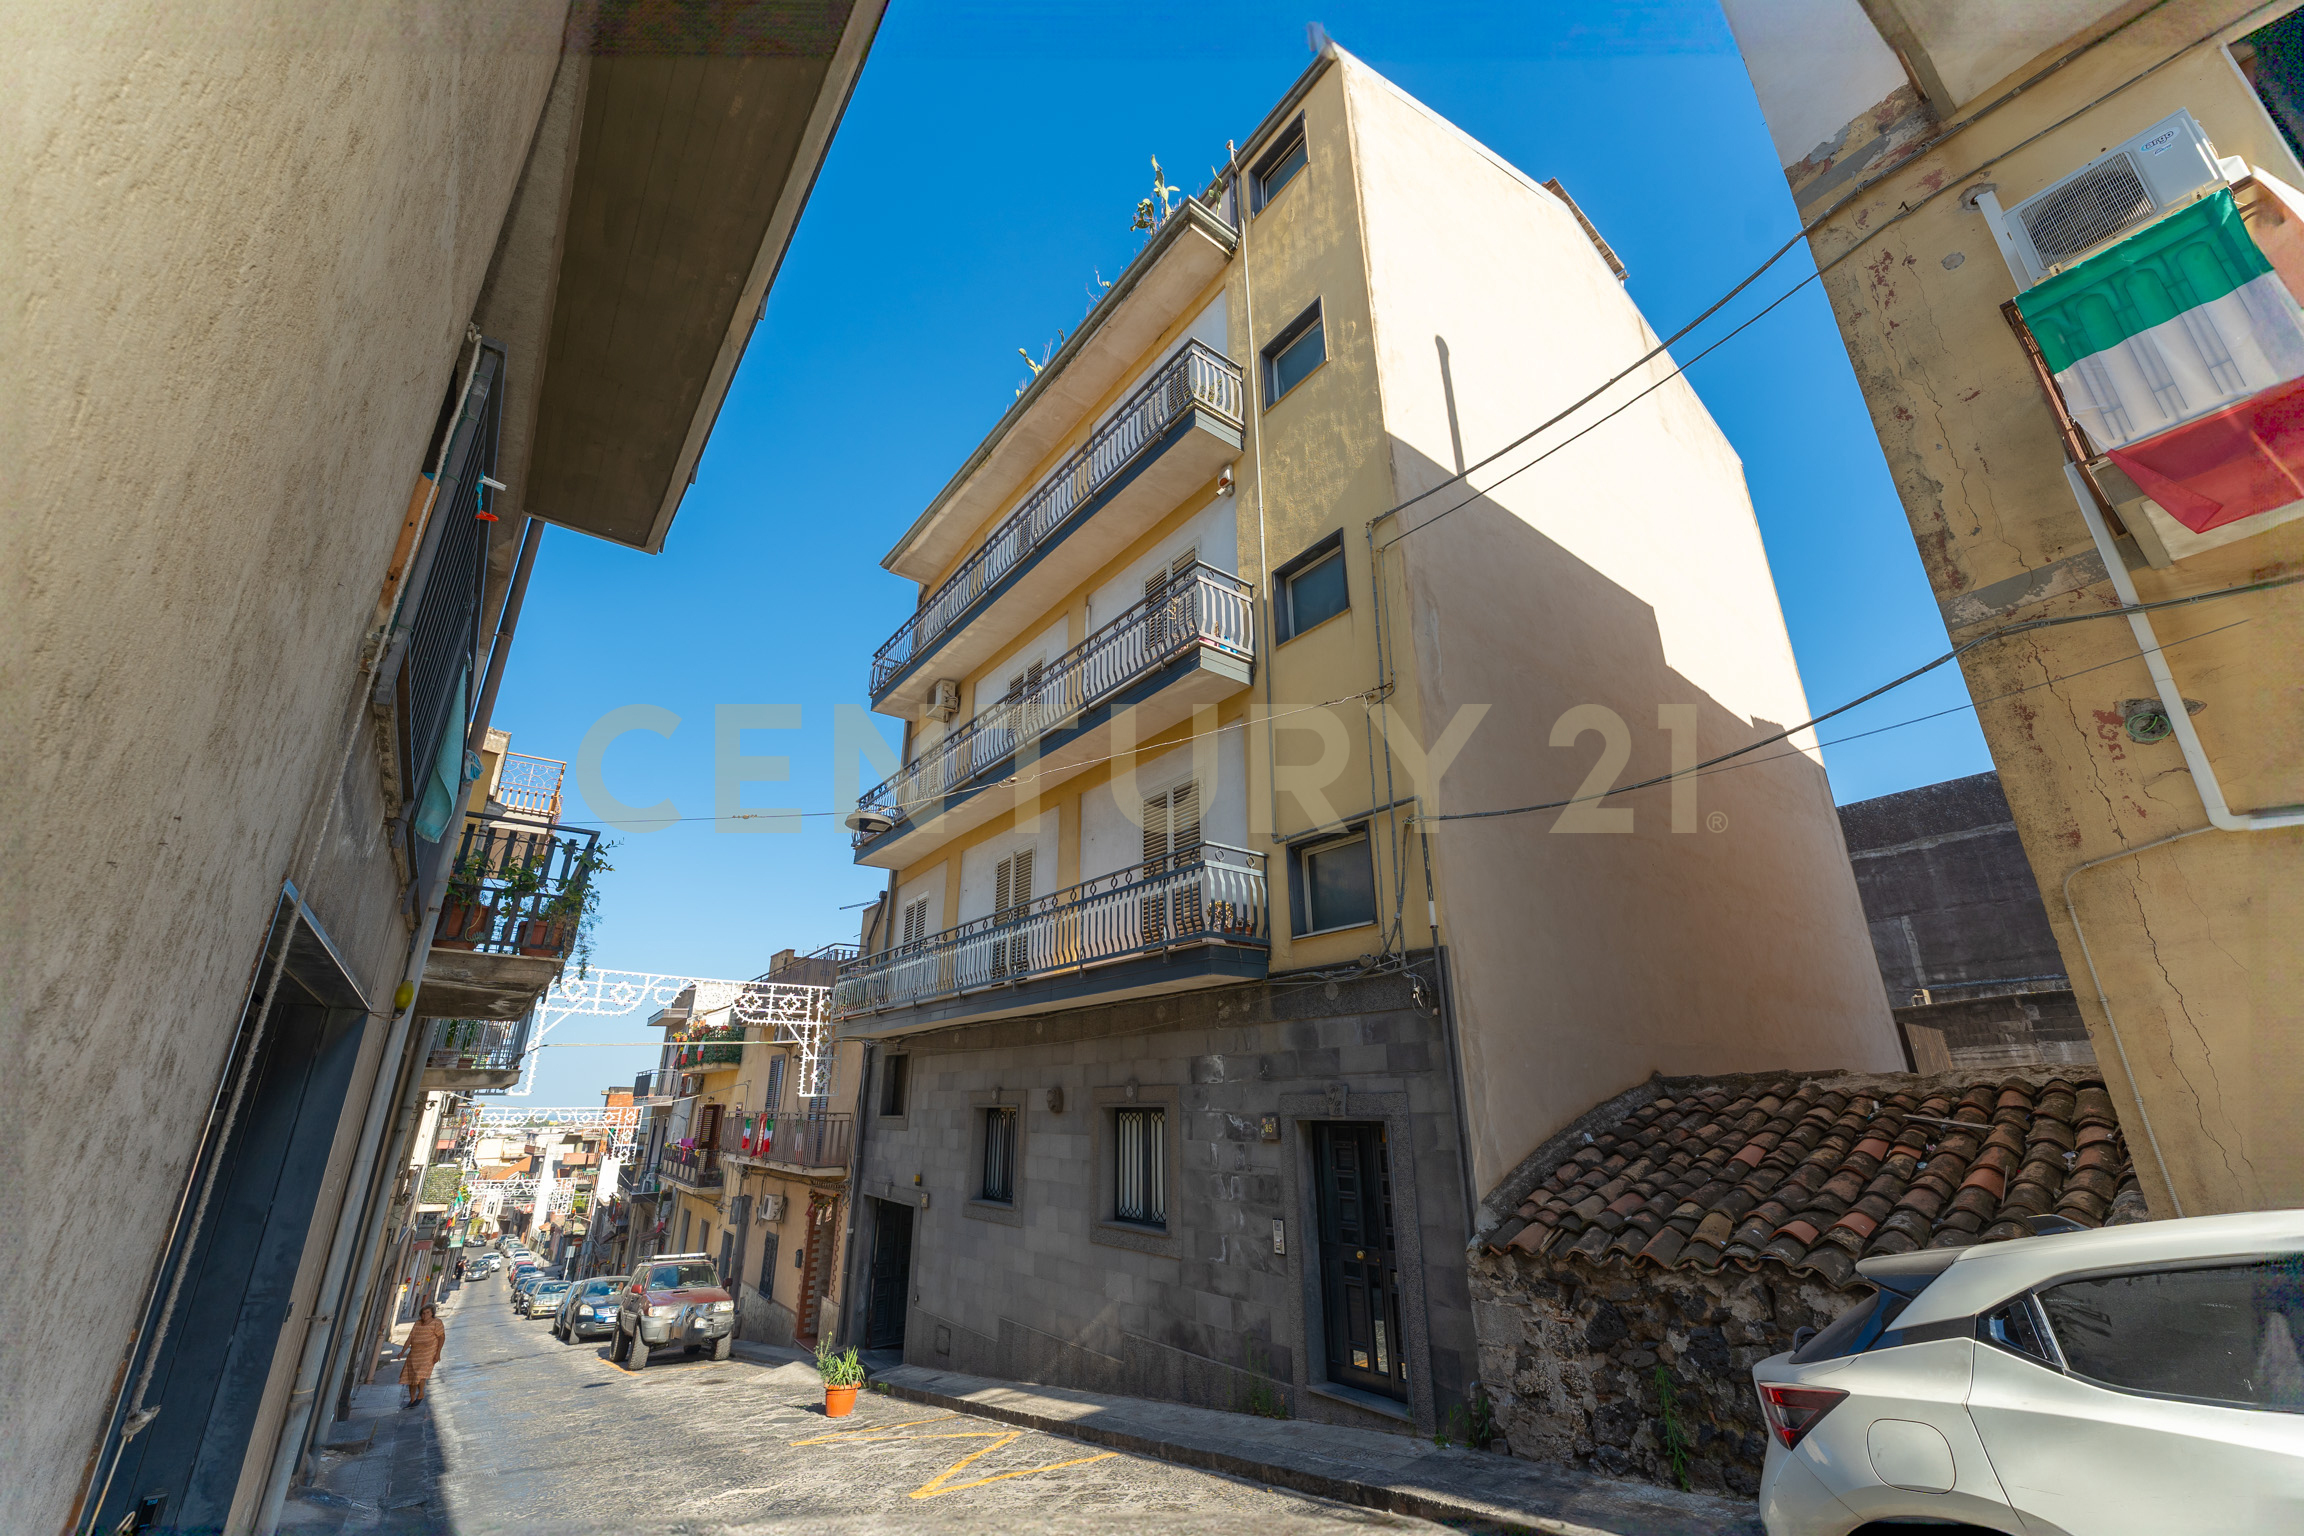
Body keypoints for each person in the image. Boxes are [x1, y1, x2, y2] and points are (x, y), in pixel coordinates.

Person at [401, 1303, 446, 1410]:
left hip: (428, 1353)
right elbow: (410, 1338)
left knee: (420, 1374)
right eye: (423, 1313)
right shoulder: (417, 1323)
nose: (425, 1315)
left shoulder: (437, 1323)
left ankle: (421, 1394)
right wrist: (402, 1352)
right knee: (411, 1377)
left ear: (432, 1314)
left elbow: (441, 1338)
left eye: (427, 1313)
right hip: (414, 1353)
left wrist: (438, 1353)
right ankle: (412, 1399)